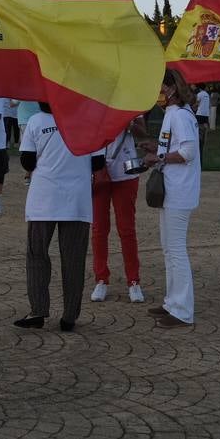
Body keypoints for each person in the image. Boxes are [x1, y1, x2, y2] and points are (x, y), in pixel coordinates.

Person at [14, 104, 103, 331]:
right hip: (77, 200)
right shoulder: (90, 120)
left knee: (37, 255)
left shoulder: (36, 121)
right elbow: (98, 162)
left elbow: (27, 161)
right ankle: (69, 316)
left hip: (43, 198)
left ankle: (38, 310)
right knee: (74, 260)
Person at [140, 69, 201, 329]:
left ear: (172, 89)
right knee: (168, 248)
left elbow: (188, 152)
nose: (158, 94)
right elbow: (175, 147)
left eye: (161, 88)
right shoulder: (173, 115)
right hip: (172, 189)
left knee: (176, 250)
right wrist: (156, 147)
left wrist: (160, 157)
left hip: (179, 190)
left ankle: (183, 310)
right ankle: (171, 302)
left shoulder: (180, 116)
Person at [90, 114, 146, 304]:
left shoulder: (130, 98)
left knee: (127, 229)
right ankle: (101, 279)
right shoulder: (92, 102)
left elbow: (142, 132)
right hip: (97, 170)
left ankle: (133, 281)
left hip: (126, 172)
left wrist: (128, 122)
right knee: (99, 229)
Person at [194, 85, 211, 150]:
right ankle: (204, 143)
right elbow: (209, 105)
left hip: (199, 114)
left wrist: (191, 106)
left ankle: (198, 142)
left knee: (198, 129)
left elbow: (197, 104)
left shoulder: (199, 94)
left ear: (200, 88)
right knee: (205, 130)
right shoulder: (207, 94)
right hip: (206, 114)